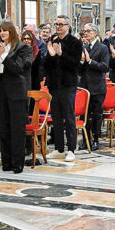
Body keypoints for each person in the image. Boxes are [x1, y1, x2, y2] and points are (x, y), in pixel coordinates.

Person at [0, 22, 32, 173]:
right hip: (1, 92)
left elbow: (17, 68)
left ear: (12, 32)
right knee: (4, 128)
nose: (2, 33)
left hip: (17, 92)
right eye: (0, 31)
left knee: (17, 129)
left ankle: (17, 163)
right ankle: (6, 162)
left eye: (5, 31)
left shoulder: (23, 48)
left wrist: (3, 56)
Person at [44, 15, 82, 162]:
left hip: (68, 85)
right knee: (56, 118)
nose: (58, 27)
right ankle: (59, 149)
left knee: (69, 117)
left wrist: (60, 54)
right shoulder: (54, 41)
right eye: (56, 24)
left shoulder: (75, 42)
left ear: (68, 26)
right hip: (54, 85)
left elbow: (74, 64)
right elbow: (47, 65)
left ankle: (71, 149)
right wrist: (51, 55)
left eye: (61, 24)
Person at [78, 23, 109, 150]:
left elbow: (104, 67)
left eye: (88, 31)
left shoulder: (103, 48)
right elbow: (80, 71)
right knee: (84, 115)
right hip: (85, 87)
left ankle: (96, 139)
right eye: (84, 31)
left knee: (96, 115)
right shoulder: (84, 47)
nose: (85, 33)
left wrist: (90, 61)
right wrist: (81, 62)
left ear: (95, 33)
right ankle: (86, 140)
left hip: (97, 87)